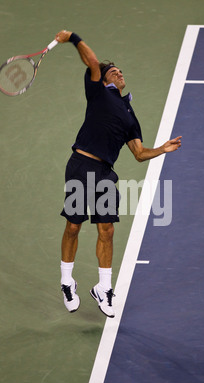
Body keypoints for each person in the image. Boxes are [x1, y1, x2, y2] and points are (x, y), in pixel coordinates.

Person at [55, 29, 182, 318]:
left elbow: (138, 154)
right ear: (104, 77)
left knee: (107, 231)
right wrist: (73, 37)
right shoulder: (98, 91)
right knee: (73, 226)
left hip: (104, 174)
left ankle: (104, 289)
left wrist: (162, 149)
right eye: (113, 71)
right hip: (81, 165)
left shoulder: (128, 113)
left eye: (120, 71)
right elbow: (92, 60)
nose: (119, 73)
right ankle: (66, 280)